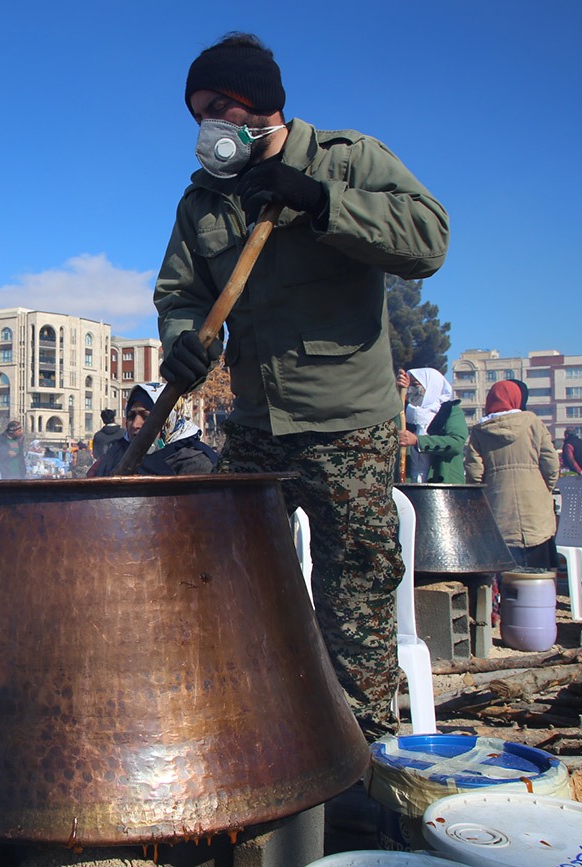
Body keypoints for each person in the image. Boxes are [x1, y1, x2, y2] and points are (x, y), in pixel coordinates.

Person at [153, 33, 448, 739]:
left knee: (358, 591)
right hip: (258, 425)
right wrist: (185, 345)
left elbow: (428, 238)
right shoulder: (203, 203)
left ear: (263, 103)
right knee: (219, 569)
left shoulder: (347, 161)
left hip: (350, 421)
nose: (210, 127)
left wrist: (323, 204)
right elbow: (180, 295)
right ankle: (250, 728)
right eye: (199, 114)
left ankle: (357, 754)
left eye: (221, 106)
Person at [463, 381, 559, 567]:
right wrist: (544, 489)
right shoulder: (533, 423)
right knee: (538, 572)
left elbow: (474, 473)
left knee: (505, 571)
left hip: (498, 506)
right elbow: (551, 464)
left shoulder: (480, 431)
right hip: (535, 506)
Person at [89, 383, 218, 477]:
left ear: (169, 420)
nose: (135, 425)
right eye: (131, 416)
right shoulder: (113, 457)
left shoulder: (195, 464)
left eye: (145, 416)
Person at [397, 368, 466, 483]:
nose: (410, 389)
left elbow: (456, 443)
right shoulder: (403, 413)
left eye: (415, 384)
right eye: (409, 385)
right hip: (409, 484)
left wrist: (418, 441)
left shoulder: (450, 411)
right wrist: (398, 392)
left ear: (431, 386)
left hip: (440, 486)